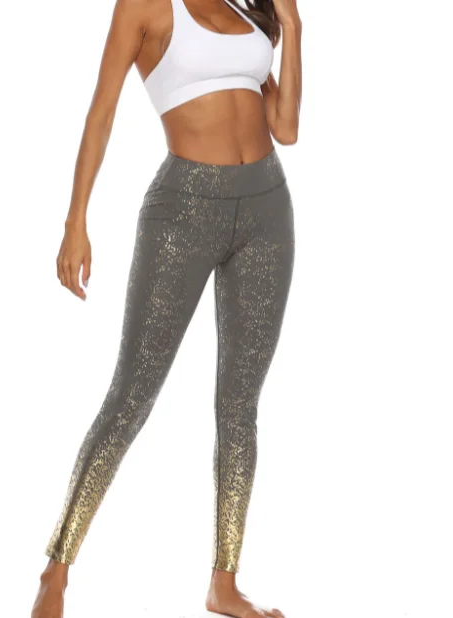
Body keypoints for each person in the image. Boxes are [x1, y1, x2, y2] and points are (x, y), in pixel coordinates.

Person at [33, 0, 301, 615]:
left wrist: (293, 27)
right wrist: (76, 221)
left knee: (240, 406)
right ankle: (56, 569)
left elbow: (286, 129)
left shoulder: (246, 11)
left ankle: (224, 584)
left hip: (267, 210)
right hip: (183, 210)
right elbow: (101, 113)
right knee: (131, 395)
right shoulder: (144, 7)